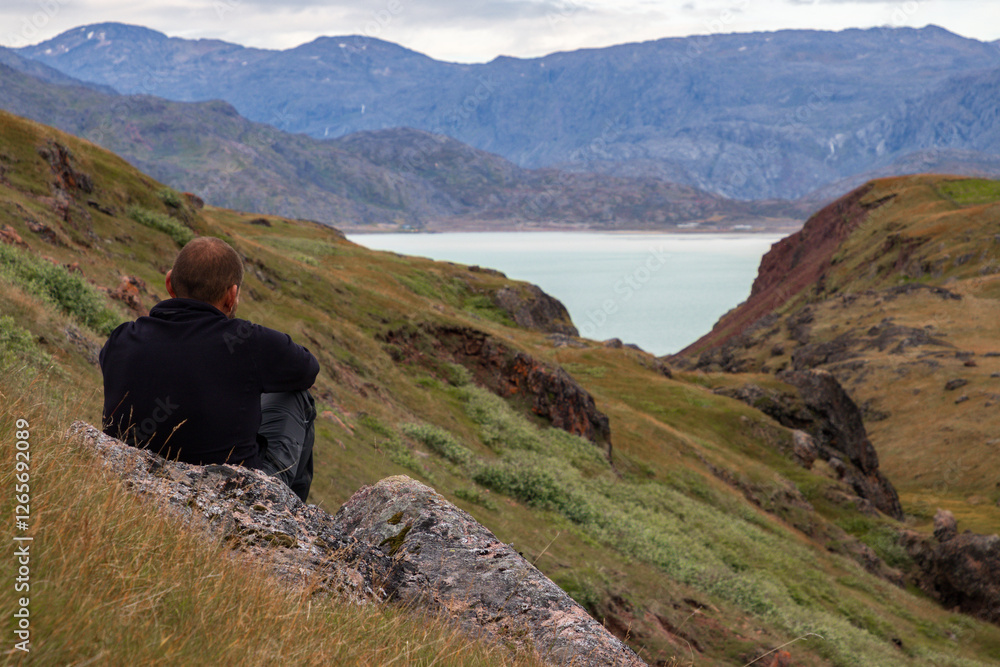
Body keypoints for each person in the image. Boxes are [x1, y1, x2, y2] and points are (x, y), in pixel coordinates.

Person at [100, 237, 319, 501]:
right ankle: (289, 512)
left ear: (169, 283)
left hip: (131, 477)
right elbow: (307, 369)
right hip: (232, 495)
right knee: (297, 397)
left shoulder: (121, 338)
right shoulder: (249, 341)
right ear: (231, 295)